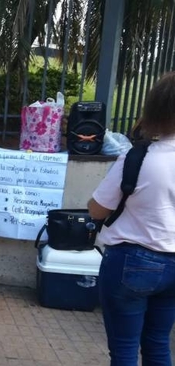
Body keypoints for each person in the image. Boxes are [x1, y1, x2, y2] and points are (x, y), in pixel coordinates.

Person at [88, 71, 175, 366]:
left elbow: (97, 209)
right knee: (159, 345)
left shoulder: (138, 157)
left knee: (125, 350)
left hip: (132, 262)